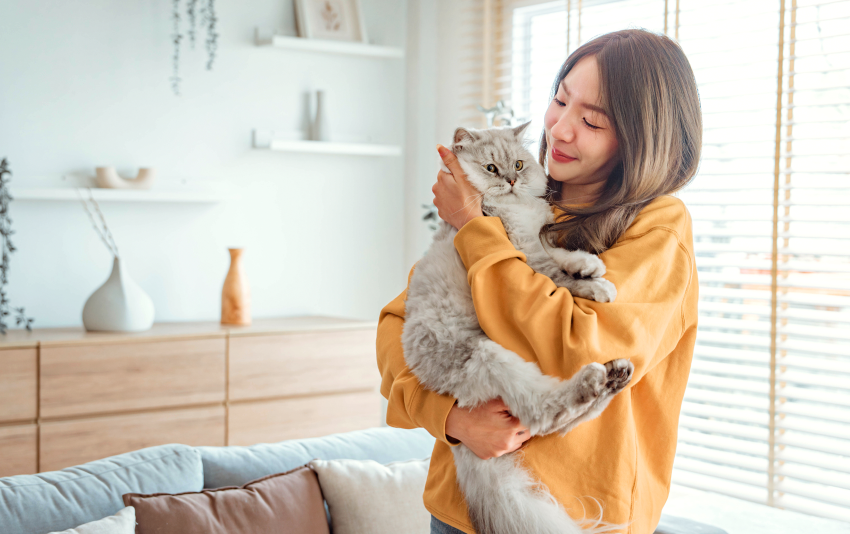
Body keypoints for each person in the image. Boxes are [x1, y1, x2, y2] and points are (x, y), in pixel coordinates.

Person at [377, 29, 702, 534]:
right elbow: (397, 329)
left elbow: (578, 349)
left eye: (592, 120)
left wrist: (476, 229)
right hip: (459, 513)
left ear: (641, 137)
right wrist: (451, 419)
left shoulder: (659, 227)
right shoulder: (519, 198)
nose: (561, 129)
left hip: (582, 517)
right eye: (560, 100)